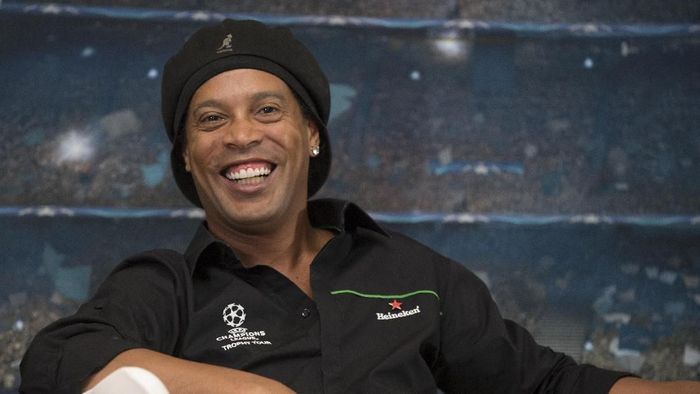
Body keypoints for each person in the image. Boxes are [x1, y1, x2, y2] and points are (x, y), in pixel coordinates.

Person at [19, 19, 699, 394]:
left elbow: (550, 386)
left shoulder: (411, 270)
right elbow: (57, 359)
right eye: (210, 120)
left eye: (267, 110)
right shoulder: (164, 286)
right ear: (188, 158)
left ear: (311, 133)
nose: (242, 135)